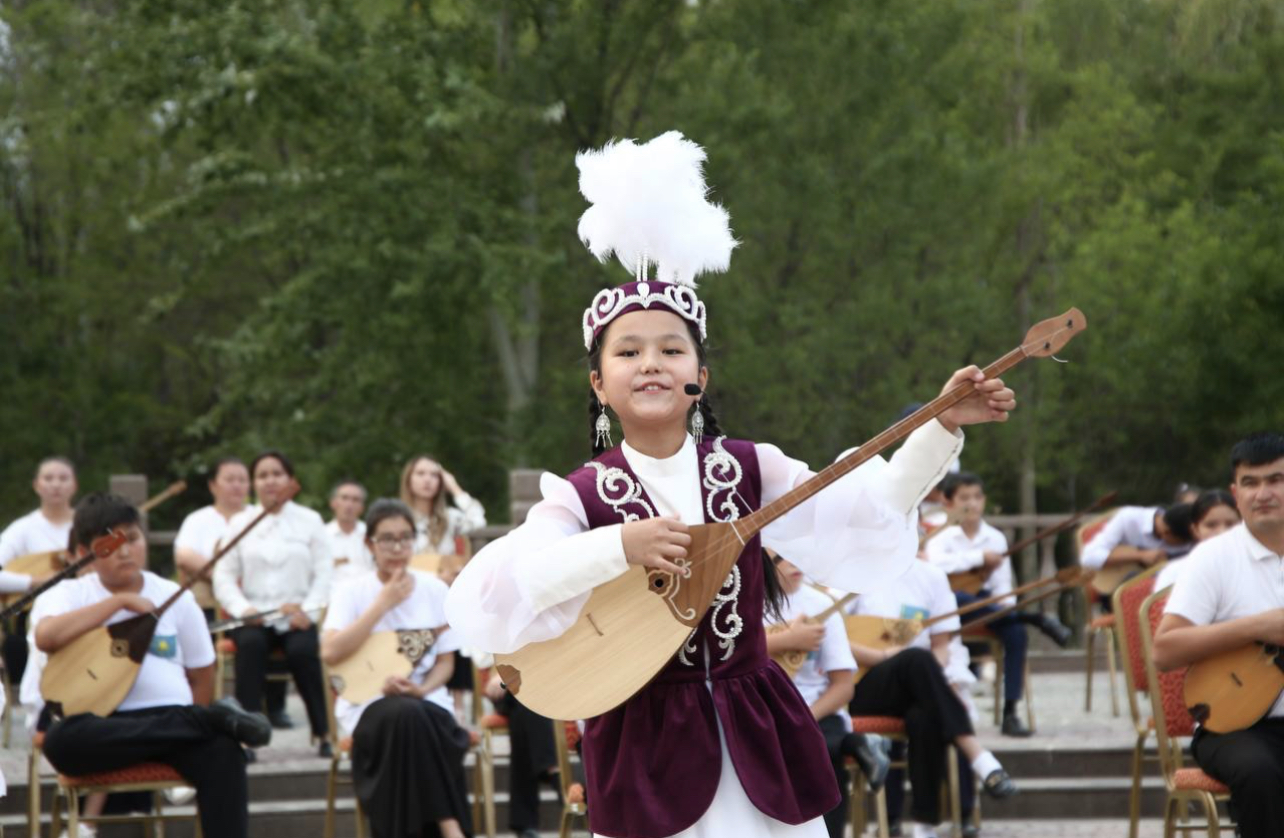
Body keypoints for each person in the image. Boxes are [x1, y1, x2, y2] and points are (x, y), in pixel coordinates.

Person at [445, 131, 1019, 838]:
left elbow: (866, 510)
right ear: (598, 384)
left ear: (700, 377)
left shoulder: (750, 467)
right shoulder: (581, 493)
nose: (650, 362)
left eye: (670, 348)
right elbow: (518, 582)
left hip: (758, 730)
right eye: (628, 351)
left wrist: (937, 427)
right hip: (644, 743)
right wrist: (619, 545)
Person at [34, 493, 270, 838]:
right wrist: (120, 602)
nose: (126, 551)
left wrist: (190, 717)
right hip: (103, 729)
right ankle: (209, 721)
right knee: (60, 741)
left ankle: (203, 721)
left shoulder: (175, 596)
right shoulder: (68, 594)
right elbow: (46, 636)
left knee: (225, 752)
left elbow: (202, 672)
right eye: (111, 544)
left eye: (133, 539)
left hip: (173, 721)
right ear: (86, 552)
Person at [1152, 432, 1284, 838]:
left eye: (1276, 480)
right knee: (1259, 773)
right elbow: (1165, 651)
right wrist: (1259, 626)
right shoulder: (1213, 558)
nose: (1263, 492)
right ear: (1236, 491)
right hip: (1233, 725)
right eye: (1251, 482)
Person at [321, 499, 471, 838]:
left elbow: (446, 664)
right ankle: (450, 826)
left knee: (412, 713)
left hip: (428, 702)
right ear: (369, 543)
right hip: (368, 706)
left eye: (406, 537)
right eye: (387, 539)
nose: (398, 547)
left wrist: (420, 689)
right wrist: (382, 603)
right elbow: (330, 652)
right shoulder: (351, 592)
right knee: (404, 716)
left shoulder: (434, 589)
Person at [845, 551, 1016, 838]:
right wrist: (885, 655)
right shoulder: (853, 570)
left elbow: (941, 646)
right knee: (916, 658)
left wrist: (935, 681)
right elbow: (833, 636)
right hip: (863, 683)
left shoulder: (931, 576)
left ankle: (925, 825)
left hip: (918, 682)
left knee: (924, 715)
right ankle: (978, 755)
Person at [925, 472, 1071, 736]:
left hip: (986, 610)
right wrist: (979, 557)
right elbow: (935, 567)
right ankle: (1036, 618)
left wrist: (1007, 610)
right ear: (948, 502)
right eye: (964, 498)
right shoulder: (940, 536)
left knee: (1015, 631)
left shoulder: (996, 538)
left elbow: (1003, 590)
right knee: (960, 598)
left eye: (977, 497)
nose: (972, 504)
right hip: (948, 610)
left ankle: (1010, 712)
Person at [212, 450, 331, 758]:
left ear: (290, 480)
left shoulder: (310, 520)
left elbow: (324, 574)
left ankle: (323, 731)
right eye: (263, 475)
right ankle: (246, 736)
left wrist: (309, 609)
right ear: (254, 484)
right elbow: (223, 576)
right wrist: (243, 609)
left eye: (277, 474)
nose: (270, 481)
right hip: (256, 616)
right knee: (250, 646)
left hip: (298, 616)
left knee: (303, 650)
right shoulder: (240, 522)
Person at [765, 552, 891, 838]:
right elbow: (731, 655)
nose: (794, 564)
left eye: (798, 555)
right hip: (760, 713)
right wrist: (785, 641)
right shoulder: (742, 605)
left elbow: (843, 685)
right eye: (780, 558)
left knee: (817, 747)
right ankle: (854, 744)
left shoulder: (821, 605)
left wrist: (802, 720)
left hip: (815, 713)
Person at [0, 457, 76, 681]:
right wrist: (34, 582)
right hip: (32, 617)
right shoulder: (23, 529)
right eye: (48, 478)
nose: (56, 484)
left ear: (74, 485)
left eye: (63, 478)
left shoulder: (85, 525)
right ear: (37, 485)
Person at [1155, 489, 1240, 591]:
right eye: (1211, 525)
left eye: (1230, 524)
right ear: (1196, 530)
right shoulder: (1175, 573)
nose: (1222, 532)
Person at [399, 456, 486, 555]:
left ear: (441, 481)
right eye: (420, 473)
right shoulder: (397, 518)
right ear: (408, 480)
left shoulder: (450, 518)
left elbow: (478, 521)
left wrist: (455, 488)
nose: (427, 479)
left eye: (434, 475)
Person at [1080, 501, 1196, 572]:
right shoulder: (1129, 518)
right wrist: (1140, 555)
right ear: (1167, 533)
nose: (1186, 545)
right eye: (1183, 542)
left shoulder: (1196, 539)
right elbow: (1088, 557)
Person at [326, 480, 372, 582]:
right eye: (344, 498)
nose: (349, 504)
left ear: (362, 507)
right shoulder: (321, 535)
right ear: (333, 503)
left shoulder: (372, 535)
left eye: (355, 500)